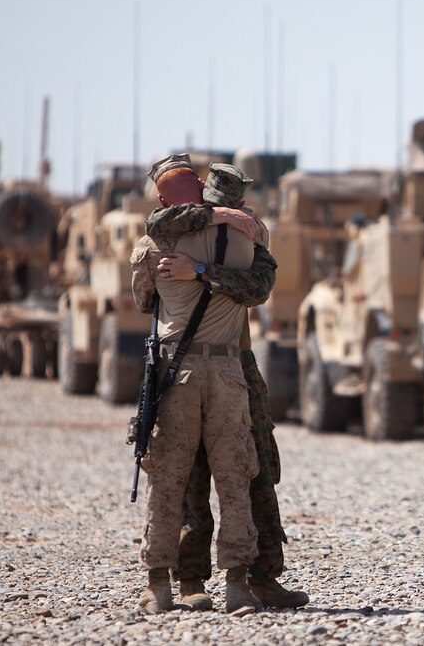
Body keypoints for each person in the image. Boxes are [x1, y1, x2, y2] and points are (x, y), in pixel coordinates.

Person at [145, 161, 309, 610]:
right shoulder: (172, 229)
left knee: (252, 470)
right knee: (191, 476)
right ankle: (192, 579)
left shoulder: (246, 230)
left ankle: (261, 576)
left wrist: (202, 265)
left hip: (237, 364)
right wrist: (215, 228)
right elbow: (156, 225)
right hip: (192, 365)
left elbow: (258, 286)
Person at [129, 155, 262, 615]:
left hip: (175, 373)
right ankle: (238, 586)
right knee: (235, 479)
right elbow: (260, 284)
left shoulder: (155, 242)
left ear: (164, 198)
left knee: (167, 480)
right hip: (227, 373)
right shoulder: (249, 234)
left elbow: (143, 298)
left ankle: (159, 587)